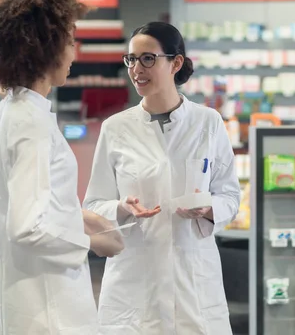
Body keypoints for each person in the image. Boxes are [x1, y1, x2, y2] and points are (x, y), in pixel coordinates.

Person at [0, 0, 123, 335]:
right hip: (47, 312)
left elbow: (35, 202)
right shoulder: (30, 122)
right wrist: (93, 242)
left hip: (29, 301)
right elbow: (28, 226)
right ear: (45, 46)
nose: (75, 52)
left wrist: (87, 217)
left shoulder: (14, 110)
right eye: (71, 41)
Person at [83, 21, 241, 334]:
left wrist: (208, 208)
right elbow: (93, 203)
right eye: (131, 59)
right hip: (135, 281)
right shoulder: (116, 128)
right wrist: (122, 207)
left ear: (175, 62)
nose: (136, 69)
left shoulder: (207, 123)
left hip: (193, 278)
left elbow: (231, 196)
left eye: (148, 58)